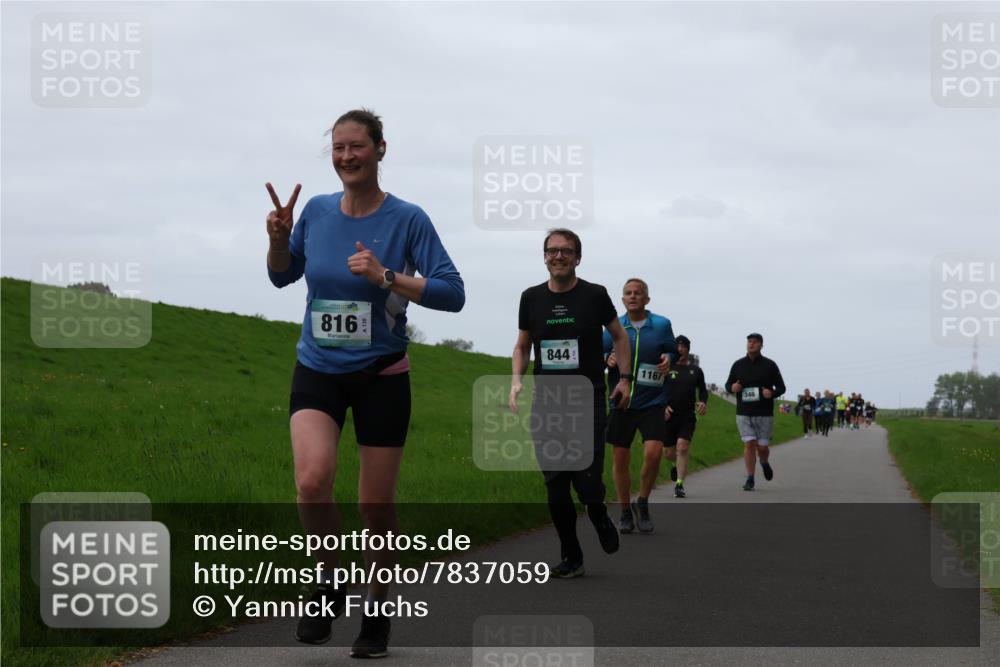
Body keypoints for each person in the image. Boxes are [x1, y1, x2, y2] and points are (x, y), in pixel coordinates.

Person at [267, 109, 465, 658]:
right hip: (317, 367)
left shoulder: (409, 219)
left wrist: (387, 276)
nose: (346, 156)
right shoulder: (315, 211)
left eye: (356, 146)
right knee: (312, 482)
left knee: (375, 507)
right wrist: (279, 239)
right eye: (338, 148)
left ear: (380, 149)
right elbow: (282, 275)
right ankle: (329, 582)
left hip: (382, 374)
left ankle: (376, 610)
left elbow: (453, 292)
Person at [510, 228, 630, 578]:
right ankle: (571, 555)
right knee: (556, 485)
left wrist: (625, 379)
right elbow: (523, 345)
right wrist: (516, 380)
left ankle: (597, 512)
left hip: (587, 398)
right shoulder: (531, 297)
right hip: (547, 402)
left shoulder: (595, 294)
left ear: (578, 257)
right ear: (544, 256)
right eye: (552, 250)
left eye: (566, 251)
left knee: (587, 482)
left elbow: (620, 337)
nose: (558, 256)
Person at [602, 278, 674, 532]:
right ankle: (624, 510)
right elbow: (599, 354)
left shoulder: (662, 325)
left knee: (653, 453)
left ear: (647, 299)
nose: (632, 296)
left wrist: (669, 359)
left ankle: (642, 501)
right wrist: (607, 358)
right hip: (622, 401)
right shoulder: (613, 326)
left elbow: (672, 351)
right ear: (622, 299)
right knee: (620, 456)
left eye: (637, 293)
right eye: (628, 293)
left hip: (653, 400)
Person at [724, 333, 786, 491]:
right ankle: (750, 478)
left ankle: (764, 462)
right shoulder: (738, 365)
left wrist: (772, 393)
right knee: (750, 444)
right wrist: (732, 388)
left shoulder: (770, 365)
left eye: (755, 342)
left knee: (762, 448)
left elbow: (781, 387)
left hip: (764, 413)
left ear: (761, 345)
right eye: (749, 341)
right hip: (743, 412)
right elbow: (728, 385)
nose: (751, 344)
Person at [662, 335, 708, 498]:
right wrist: (663, 406)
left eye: (683, 347)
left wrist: (703, 402)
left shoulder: (696, 370)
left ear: (688, 349)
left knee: (682, 447)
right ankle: (675, 464)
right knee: (668, 452)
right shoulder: (667, 367)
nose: (680, 349)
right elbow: (657, 388)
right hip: (669, 415)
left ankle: (679, 484)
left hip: (687, 415)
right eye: (677, 346)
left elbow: (703, 390)